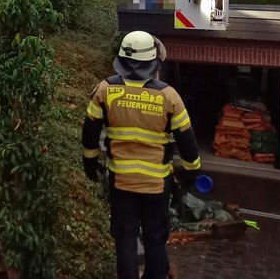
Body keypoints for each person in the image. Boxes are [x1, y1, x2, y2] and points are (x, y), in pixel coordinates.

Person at [81, 30, 200, 279]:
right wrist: (191, 171)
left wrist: (89, 159)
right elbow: (187, 140)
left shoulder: (106, 89)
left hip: (121, 182)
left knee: (125, 237)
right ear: (152, 62)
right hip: (156, 184)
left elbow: (90, 129)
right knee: (155, 238)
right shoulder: (169, 96)